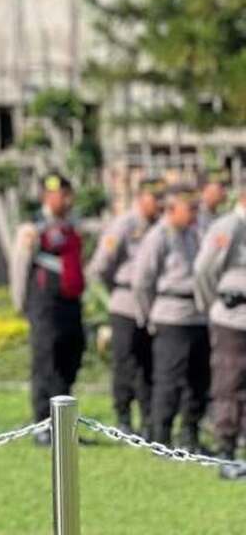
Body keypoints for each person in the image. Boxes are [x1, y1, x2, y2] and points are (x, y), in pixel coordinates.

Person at [10, 173, 85, 444]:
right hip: (44, 304)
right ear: (47, 196)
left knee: (69, 358)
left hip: (69, 303)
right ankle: (42, 424)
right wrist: (20, 302)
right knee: (46, 362)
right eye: (60, 194)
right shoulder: (33, 229)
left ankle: (63, 425)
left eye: (67, 193)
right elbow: (19, 266)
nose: (66, 199)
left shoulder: (71, 226)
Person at [87, 177, 165, 437]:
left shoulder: (160, 227)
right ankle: (123, 416)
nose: (161, 204)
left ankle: (147, 418)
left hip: (152, 305)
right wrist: (115, 295)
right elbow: (100, 267)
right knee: (125, 362)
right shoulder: (124, 225)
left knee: (149, 363)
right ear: (141, 198)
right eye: (156, 199)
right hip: (125, 304)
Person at [134, 185, 209, 451]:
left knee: (198, 380)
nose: (195, 214)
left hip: (197, 316)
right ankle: (161, 436)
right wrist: (149, 317)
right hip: (171, 316)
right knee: (169, 379)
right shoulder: (158, 236)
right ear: (172, 209)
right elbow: (142, 281)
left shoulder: (194, 235)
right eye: (190, 209)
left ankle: (190, 434)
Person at [192, 188, 246, 478]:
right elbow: (203, 270)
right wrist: (212, 303)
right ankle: (225, 450)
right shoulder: (229, 226)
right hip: (232, 319)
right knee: (229, 383)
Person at [196, 170, 230, 242]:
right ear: (205, 189)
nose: (225, 191)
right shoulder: (194, 216)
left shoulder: (220, 214)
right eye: (221, 187)